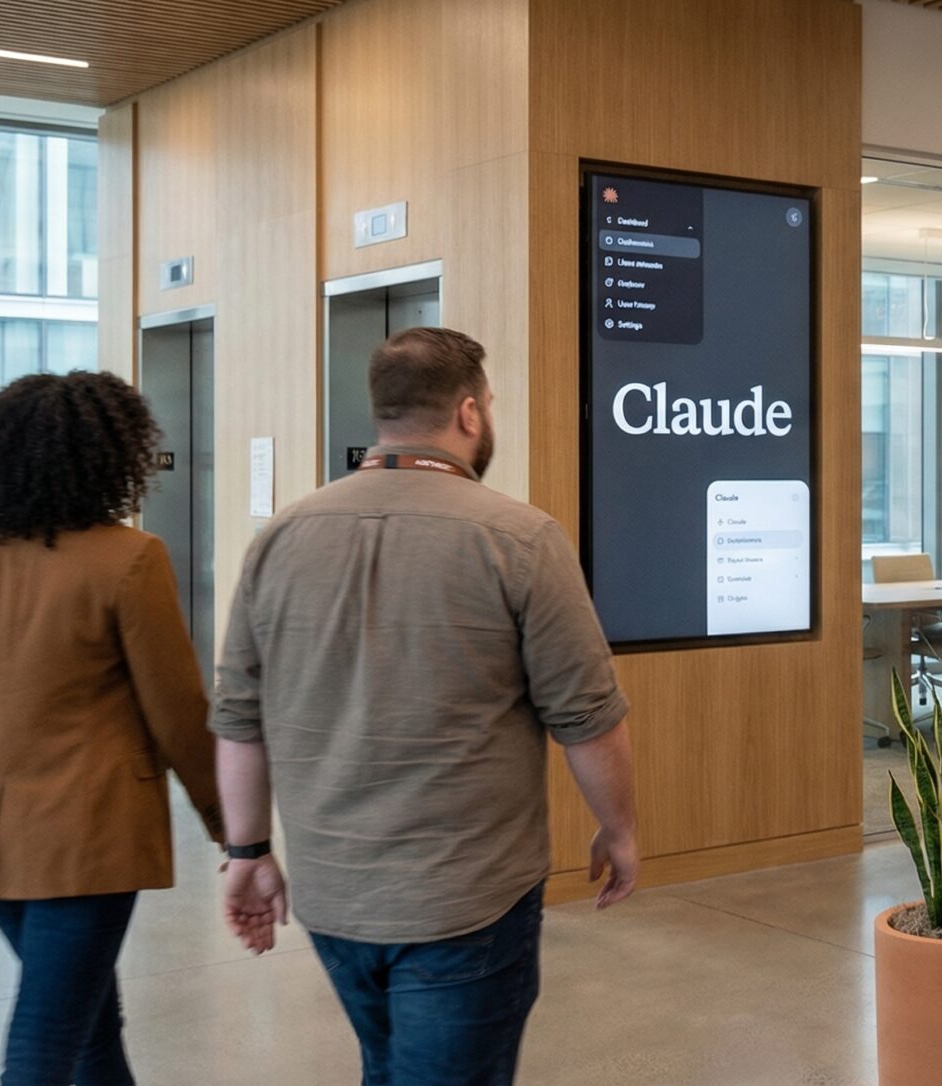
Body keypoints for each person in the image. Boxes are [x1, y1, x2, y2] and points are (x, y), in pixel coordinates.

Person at [211, 327, 639, 1086]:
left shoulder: (279, 538)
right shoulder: (521, 538)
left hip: (333, 895)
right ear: (470, 414)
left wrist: (247, 854)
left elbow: (239, 720)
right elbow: (588, 717)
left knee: (387, 1066)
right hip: (466, 900)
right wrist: (619, 829)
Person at [0, 371, 226, 1086]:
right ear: (112, 456)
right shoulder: (131, 559)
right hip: (90, 841)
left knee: (90, 1026)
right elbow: (178, 714)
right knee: (45, 1042)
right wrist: (235, 830)